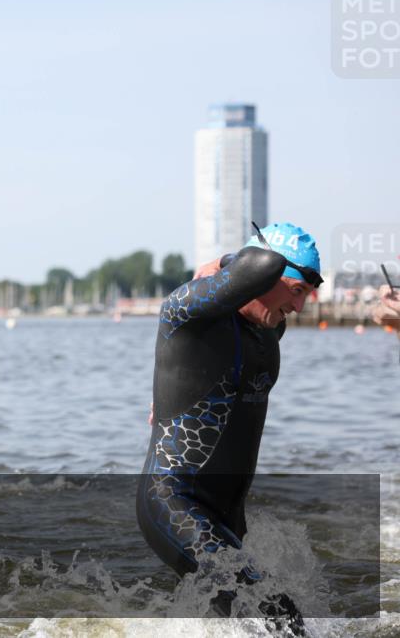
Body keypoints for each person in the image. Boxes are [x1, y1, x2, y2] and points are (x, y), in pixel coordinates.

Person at [137, 223, 321, 633]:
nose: (301, 308)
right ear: (267, 276)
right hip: (175, 501)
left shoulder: (270, 327)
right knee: (281, 616)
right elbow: (262, 262)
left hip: (226, 514)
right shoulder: (188, 313)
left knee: (235, 626)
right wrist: (224, 262)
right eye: (297, 291)